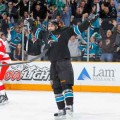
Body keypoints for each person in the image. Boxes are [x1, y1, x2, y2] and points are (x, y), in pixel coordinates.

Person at [40, 13, 99, 119]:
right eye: (48, 26)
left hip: (64, 62)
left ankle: (69, 106)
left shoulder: (64, 32)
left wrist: (89, 21)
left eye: (51, 25)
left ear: (57, 26)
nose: (49, 27)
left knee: (66, 85)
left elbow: (79, 28)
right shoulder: (46, 35)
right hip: (53, 64)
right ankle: (61, 109)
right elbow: (36, 32)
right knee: (56, 88)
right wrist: (31, 23)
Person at [0, 37, 11, 105]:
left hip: (5, 63)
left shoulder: (0, 41)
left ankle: (3, 96)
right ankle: (4, 95)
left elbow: (1, 52)